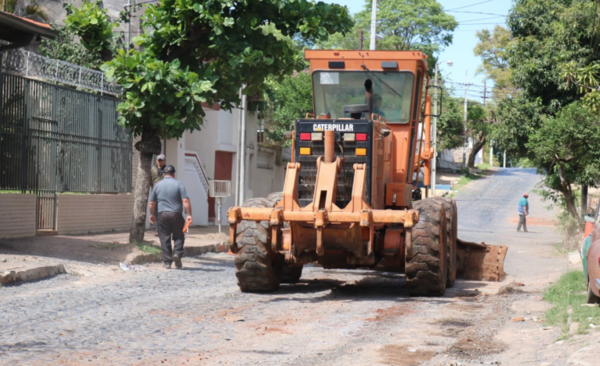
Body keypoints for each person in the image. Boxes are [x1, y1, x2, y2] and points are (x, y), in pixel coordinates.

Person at [148, 165, 193, 269]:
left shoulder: (158, 185)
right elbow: (185, 200)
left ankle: (167, 262)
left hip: (162, 214)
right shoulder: (179, 184)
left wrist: (151, 215)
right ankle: (177, 253)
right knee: (179, 235)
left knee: (164, 237)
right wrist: (189, 214)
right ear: (174, 174)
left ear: (163, 174)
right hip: (176, 214)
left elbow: (151, 203)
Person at [150, 154, 166, 236]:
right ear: (156, 161)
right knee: (156, 212)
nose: (160, 162)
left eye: (161, 160)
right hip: (155, 192)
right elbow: (150, 180)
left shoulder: (167, 169)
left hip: (165, 193)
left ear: (164, 161)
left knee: (164, 212)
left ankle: (164, 229)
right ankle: (158, 230)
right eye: (159, 160)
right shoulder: (153, 169)